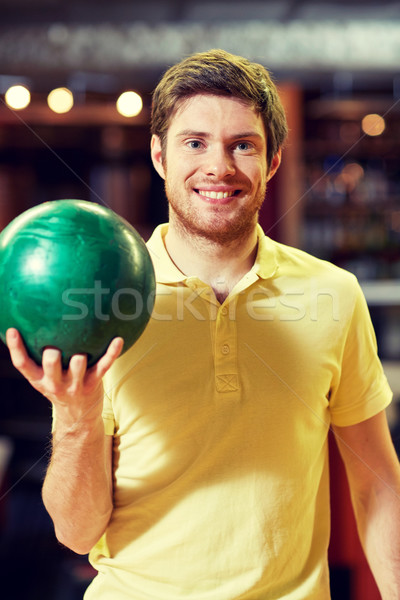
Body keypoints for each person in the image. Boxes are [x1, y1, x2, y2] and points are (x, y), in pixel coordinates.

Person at [6, 49, 400, 599]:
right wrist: (77, 416)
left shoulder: (332, 294)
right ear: (160, 157)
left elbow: (377, 487)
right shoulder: (102, 304)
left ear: (275, 160)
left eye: (244, 145)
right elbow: (77, 534)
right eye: (194, 143)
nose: (219, 167)